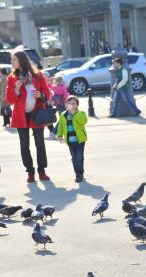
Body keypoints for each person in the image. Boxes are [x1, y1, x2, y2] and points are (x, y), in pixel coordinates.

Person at [6, 50, 52, 183]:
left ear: (21, 60)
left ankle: (42, 171)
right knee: (24, 145)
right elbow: (9, 99)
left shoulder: (37, 75)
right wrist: (16, 89)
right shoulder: (12, 78)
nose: (12, 62)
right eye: (12, 59)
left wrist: (41, 95)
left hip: (37, 114)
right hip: (21, 115)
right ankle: (30, 172)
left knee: (40, 144)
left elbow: (47, 93)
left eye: (14, 59)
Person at [57, 95, 88, 183]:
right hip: (70, 141)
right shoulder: (63, 115)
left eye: (73, 103)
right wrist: (59, 135)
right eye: (69, 103)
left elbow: (83, 121)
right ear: (65, 105)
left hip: (80, 140)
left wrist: (75, 113)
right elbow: (61, 126)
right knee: (74, 158)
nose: (71, 105)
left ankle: (80, 174)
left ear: (77, 105)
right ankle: (77, 173)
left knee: (79, 157)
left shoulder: (81, 113)